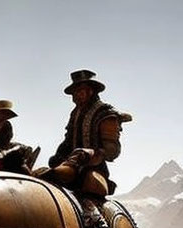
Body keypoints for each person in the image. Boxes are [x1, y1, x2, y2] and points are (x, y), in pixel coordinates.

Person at [42, 70, 132, 198]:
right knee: (49, 175)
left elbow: (112, 151)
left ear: (91, 91)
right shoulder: (75, 114)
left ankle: (94, 216)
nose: (75, 95)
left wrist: (91, 154)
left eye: (80, 90)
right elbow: (68, 140)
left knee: (91, 184)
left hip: (94, 168)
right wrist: (58, 156)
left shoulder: (106, 114)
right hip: (71, 164)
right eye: (74, 92)